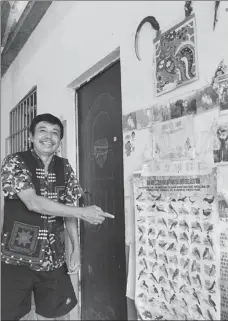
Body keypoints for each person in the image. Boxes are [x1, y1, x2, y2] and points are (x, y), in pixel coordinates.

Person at [1, 113, 114, 321]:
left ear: (59, 141)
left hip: (54, 259)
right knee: (14, 315)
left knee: (57, 315)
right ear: (31, 137)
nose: (49, 136)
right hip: (17, 258)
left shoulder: (65, 166)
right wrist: (83, 212)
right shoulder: (15, 162)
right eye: (42, 130)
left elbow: (68, 208)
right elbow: (32, 202)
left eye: (55, 133)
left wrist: (76, 248)